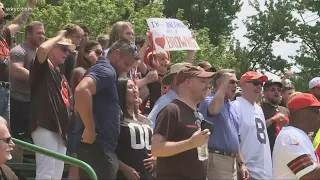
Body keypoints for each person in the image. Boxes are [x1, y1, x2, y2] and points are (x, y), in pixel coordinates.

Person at [75, 38, 139, 179]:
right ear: (116, 53)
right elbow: (81, 91)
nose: (127, 69)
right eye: (126, 64)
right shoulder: (107, 70)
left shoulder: (108, 72)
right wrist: (90, 129)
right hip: (98, 149)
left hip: (101, 149)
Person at [152, 66, 214, 179]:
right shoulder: (172, 110)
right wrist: (190, 143)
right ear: (188, 83)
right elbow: (156, 148)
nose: (207, 86)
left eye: (207, 82)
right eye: (202, 81)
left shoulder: (196, 114)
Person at [29, 30, 75, 180]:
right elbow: (42, 49)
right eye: (63, 48)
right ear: (52, 48)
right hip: (44, 125)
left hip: (60, 129)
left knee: (56, 175)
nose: (67, 53)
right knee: (46, 174)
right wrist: (59, 36)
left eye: (68, 50)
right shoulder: (42, 67)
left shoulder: (58, 72)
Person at [9, 21, 45, 179]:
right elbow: (16, 70)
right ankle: (17, 173)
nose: (42, 36)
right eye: (39, 33)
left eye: (43, 33)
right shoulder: (19, 50)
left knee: (39, 137)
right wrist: (39, 78)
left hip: (37, 103)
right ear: (29, 33)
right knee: (18, 140)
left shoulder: (42, 52)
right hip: (19, 102)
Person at [199, 69, 249, 180]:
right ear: (219, 83)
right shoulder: (208, 100)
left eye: (236, 82)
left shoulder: (232, 106)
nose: (235, 85)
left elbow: (235, 138)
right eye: (231, 82)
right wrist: (223, 86)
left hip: (232, 163)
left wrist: (241, 163)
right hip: (216, 160)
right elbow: (214, 110)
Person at [67, 40, 103, 179]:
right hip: (78, 124)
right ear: (86, 53)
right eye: (97, 52)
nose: (100, 56)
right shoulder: (81, 72)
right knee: (76, 168)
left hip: (86, 123)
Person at [0, 0, 36, 122]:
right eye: (0, 21)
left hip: (6, 91)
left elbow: (19, 23)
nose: (2, 24)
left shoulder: (4, 34)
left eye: (3, 21)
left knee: (4, 129)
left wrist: (30, 5)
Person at [233, 71, 272, 179]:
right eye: (255, 83)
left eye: (261, 84)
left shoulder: (259, 109)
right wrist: (241, 164)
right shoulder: (235, 106)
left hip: (265, 171)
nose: (259, 86)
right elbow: (234, 138)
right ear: (243, 85)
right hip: (248, 172)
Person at [273, 93, 320, 179]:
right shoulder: (291, 136)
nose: (319, 115)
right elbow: (308, 173)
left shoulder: (298, 134)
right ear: (302, 113)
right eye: (317, 111)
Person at [116, 78, 156, 180]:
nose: (135, 90)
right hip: (126, 175)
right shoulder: (117, 119)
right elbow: (107, 149)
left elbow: (154, 143)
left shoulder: (145, 119)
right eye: (130, 87)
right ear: (121, 92)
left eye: (135, 86)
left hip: (148, 175)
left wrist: (156, 157)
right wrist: (124, 168)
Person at [148, 62, 191, 129]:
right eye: (182, 77)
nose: (186, 81)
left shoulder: (186, 102)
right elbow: (150, 124)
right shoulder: (166, 101)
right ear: (173, 80)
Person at [261, 80, 289, 153]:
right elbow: (256, 129)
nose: (277, 92)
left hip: (285, 151)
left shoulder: (285, 110)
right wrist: (273, 119)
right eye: (272, 90)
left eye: (279, 90)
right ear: (264, 92)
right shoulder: (259, 108)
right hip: (267, 152)